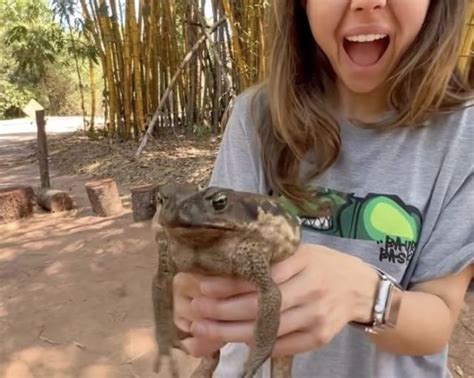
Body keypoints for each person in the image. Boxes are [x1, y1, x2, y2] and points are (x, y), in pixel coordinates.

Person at [172, 0, 474, 377]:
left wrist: (364, 297)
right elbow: (213, 251)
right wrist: (195, 292)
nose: (366, 2)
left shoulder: (465, 137)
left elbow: (439, 316)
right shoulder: (255, 116)